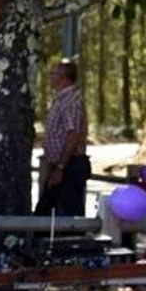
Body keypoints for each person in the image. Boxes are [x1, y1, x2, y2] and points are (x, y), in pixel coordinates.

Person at [34, 58, 90, 217]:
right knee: (45, 213)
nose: (50, 76)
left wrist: (60, 168)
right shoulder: (60, 99)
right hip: (57, 164)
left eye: (53, 73)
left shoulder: (71, 101)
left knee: (67, 215)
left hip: (69, 166)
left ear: (64, 78)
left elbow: (73, 135)